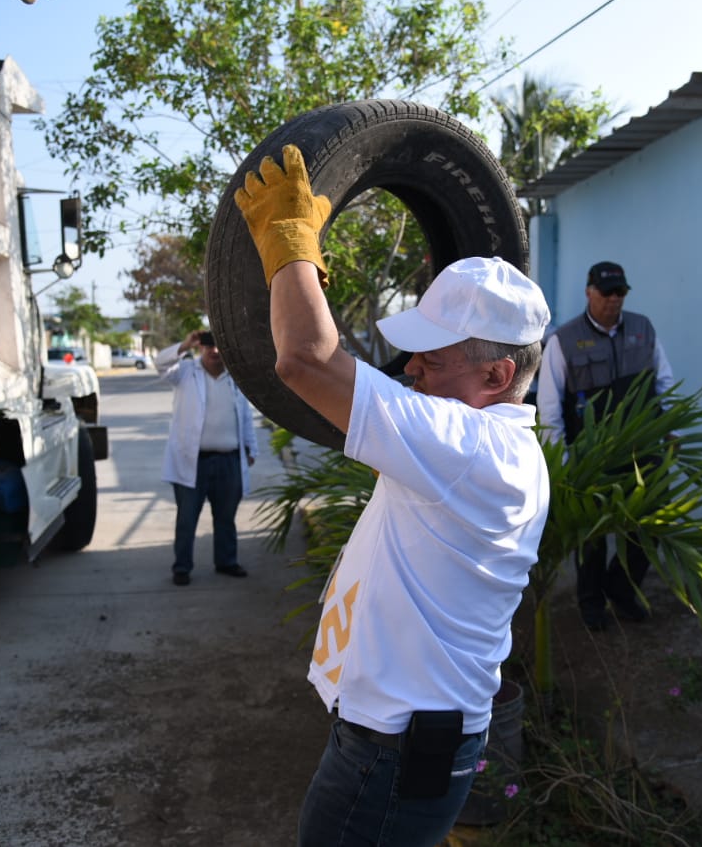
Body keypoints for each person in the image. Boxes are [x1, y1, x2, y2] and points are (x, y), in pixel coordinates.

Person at [233, 145, 551, 846]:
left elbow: (306, 361)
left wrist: (290, 241)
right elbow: (326, 375)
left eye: (431, 358)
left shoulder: (472, 450)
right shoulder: (478, 445)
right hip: (399, 737)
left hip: (396, 749)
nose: (411, 369)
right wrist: (302, 271)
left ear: (497, 375)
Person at [536, 261, 674, 632]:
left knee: (647, 527)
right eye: (606, 292)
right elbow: (549, 408)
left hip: (642, 452)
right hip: (589, 456)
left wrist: (672, 431)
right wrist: (562, 461)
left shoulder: (643, 329)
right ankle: (591, 603)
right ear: (589, 292)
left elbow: (664, 382)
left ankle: (622, 590)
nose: (614, 300)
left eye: (620, 293)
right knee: (591, 536)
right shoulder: (563, 341)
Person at [155, 329, 257, 586]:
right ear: (201, 347)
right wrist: (184, 344)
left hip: (229, 460)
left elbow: (245, 416)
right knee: (187, 518)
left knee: (226, 517)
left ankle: (226, 561)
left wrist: (250, 448)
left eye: (220, 346)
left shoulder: (236, 377)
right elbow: (160, 363)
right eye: (209, 346)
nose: (215, 351)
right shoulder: (185, 372)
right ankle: (182, 567)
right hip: (193, 462)